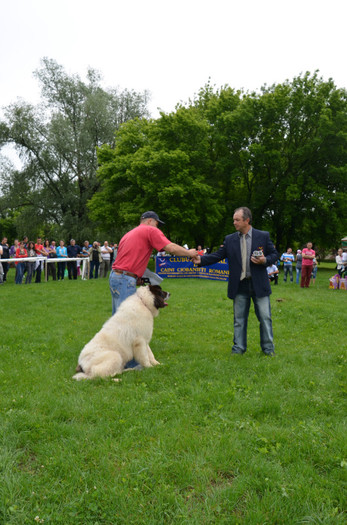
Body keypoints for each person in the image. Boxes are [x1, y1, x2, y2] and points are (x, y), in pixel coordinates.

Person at [192, 207, 278, 356]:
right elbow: (218, 255)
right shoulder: (230, 239)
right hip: (239, 286)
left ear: (247, 220)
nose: (234, 222)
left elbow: (274, 254)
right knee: (239, 320)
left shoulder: (263, 236)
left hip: (259, 284)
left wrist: (265, 260)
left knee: (265, 317)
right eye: (233, 220)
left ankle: (268, 350)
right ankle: (238, 349)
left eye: (237, 220)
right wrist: (201, 260)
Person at [110, 210, 198, 315]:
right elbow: (171, 248)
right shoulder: (150, 230)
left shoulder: (129, 234)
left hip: (116, 276)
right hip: (125, 279)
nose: (157, 228)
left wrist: (135, 277)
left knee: (117, 317)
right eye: (156, 224)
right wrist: (189, 253)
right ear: (150, 221)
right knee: (126, 318)